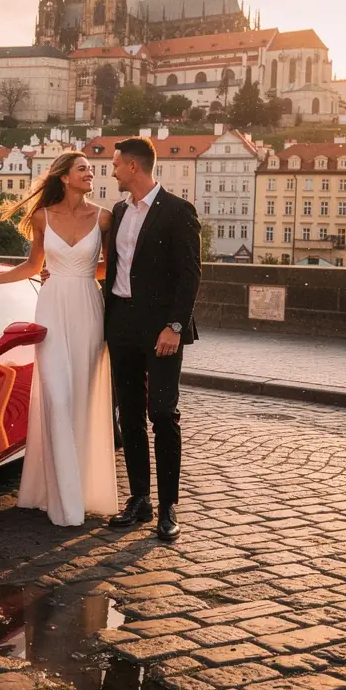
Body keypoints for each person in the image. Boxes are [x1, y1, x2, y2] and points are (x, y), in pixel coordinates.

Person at [0, 150, 118, 528]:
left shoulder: (104, 217)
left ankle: (77, 490)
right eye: (83, 169)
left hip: (86, 308)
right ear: (64, 176)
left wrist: (77, 274)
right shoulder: (41, 218)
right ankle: (63, 501)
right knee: (56, 397)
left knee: (80, 398)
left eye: (92, 171)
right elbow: (33, 267)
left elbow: (111, 268)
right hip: (50, 309)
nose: (90, 174)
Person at [103, 137, 201, 543]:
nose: (111, 169)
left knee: (162, 413)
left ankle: (169, 507)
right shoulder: (120, 211)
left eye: (115, 163)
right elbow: (116, 269)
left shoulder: (178, 211)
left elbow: (190, 274)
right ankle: (139, 500)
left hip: (161, 329)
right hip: (122, 323)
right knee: (128, 415)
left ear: (134, 168)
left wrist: (174, 327)